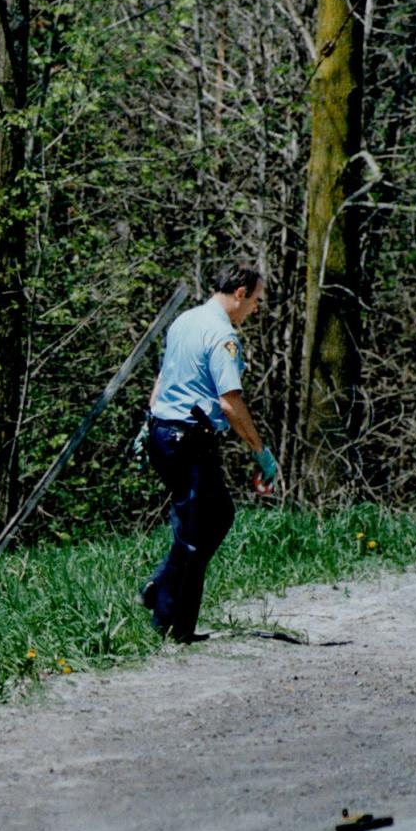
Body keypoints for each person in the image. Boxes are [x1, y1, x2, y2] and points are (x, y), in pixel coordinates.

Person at [140, 266, 277, 642]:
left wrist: (150, 418)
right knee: (196, 530)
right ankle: (172, 626)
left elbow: (164, 376)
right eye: (256, 300)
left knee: (214, 518)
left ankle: (161, 587)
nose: (256, 309)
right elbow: (230, 402)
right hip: (188, 439)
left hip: (164, 432)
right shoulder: (221, 335)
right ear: (239, 292)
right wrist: (261, 453)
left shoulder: (186, 321)